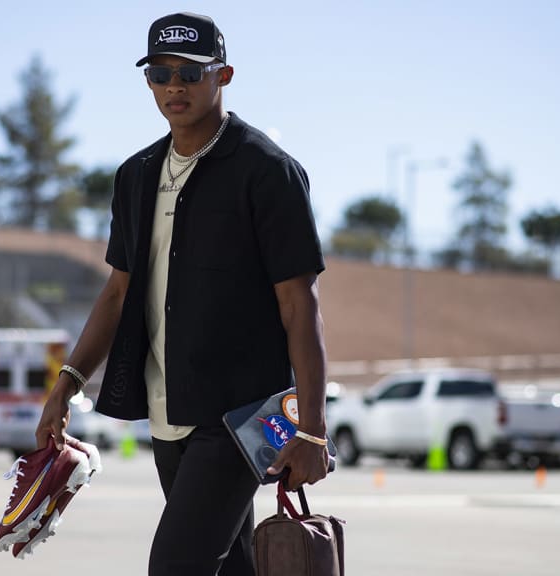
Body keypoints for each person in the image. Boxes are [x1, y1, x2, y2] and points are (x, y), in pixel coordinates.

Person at [35, 12, 329, 576]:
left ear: (223, 75)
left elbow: (300, 306)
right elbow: (117, 293)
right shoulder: (137, 175)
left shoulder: (268, 172)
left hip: (241, 417)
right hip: (166, 415)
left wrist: (311, 428)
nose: (174, 86)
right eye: (160, 73)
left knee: (176, 565)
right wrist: (66, 384)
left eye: (191, 73)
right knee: (230, 565)